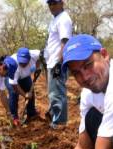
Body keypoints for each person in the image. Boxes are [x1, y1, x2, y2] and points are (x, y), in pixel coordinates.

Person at [44, 0, 72, 129]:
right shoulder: (55, 19)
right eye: (49, 4)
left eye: (54, 3)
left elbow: (65, 42)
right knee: (52, 92)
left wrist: (59, 63)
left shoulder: (63, 19)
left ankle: (59, 122)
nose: (51, 6)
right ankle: (53, 115)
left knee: (57, 93)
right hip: (51, 62)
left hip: (57, 63)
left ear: (62, 3)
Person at [5, 47, 40, 126]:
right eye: (21, 62)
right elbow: (15, 86)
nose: (23, 64)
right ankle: (14, 117)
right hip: (11, 78)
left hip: (25, 76)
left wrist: (37, 67)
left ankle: (31, 113)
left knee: (30, 90)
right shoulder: (13, 65)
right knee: (13, 93)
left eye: (25, 62)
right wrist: (25, 95)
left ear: (29, 58)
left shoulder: (35, 54)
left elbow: (41, 56)